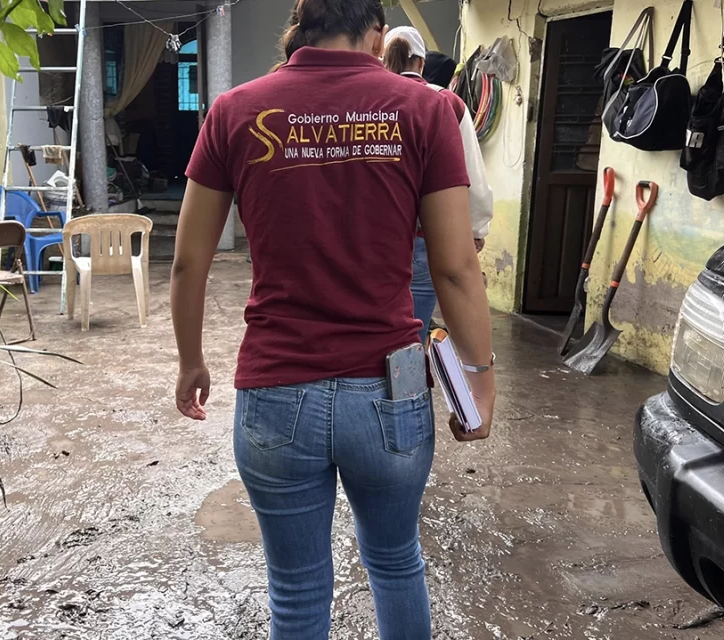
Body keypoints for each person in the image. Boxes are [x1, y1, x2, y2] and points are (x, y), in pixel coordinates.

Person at [170, 0, 496, 637]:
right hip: (391, 388)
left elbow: (187, 262)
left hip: (274, 387)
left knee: (296, 589)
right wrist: (478, 378)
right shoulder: (425, 109)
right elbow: (457, 268)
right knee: (396, 562)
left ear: (302, 29)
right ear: (377, 35)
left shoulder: (235, 111)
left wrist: (190, 361)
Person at [382, 27, 494, 345]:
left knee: (373, 331)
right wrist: (476, 228)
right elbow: (470, 172)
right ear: (421, 62)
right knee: (412, 337)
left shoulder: (368, 101)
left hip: (374, 242)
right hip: (429, 239)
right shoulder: (446, 103)